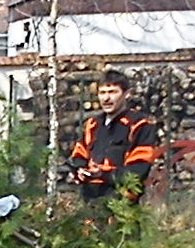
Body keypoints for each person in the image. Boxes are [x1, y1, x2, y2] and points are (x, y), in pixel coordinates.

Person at [67, 69, 160, 206]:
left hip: (122, 204)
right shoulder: (92, 124)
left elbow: (138, 169)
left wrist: (103, 174)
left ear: (127, 94)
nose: (106, 98)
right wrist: (79, 170)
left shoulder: (139, 125)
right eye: (102, 93)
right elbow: (78, 155)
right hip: (90, 202)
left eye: (112, 92)